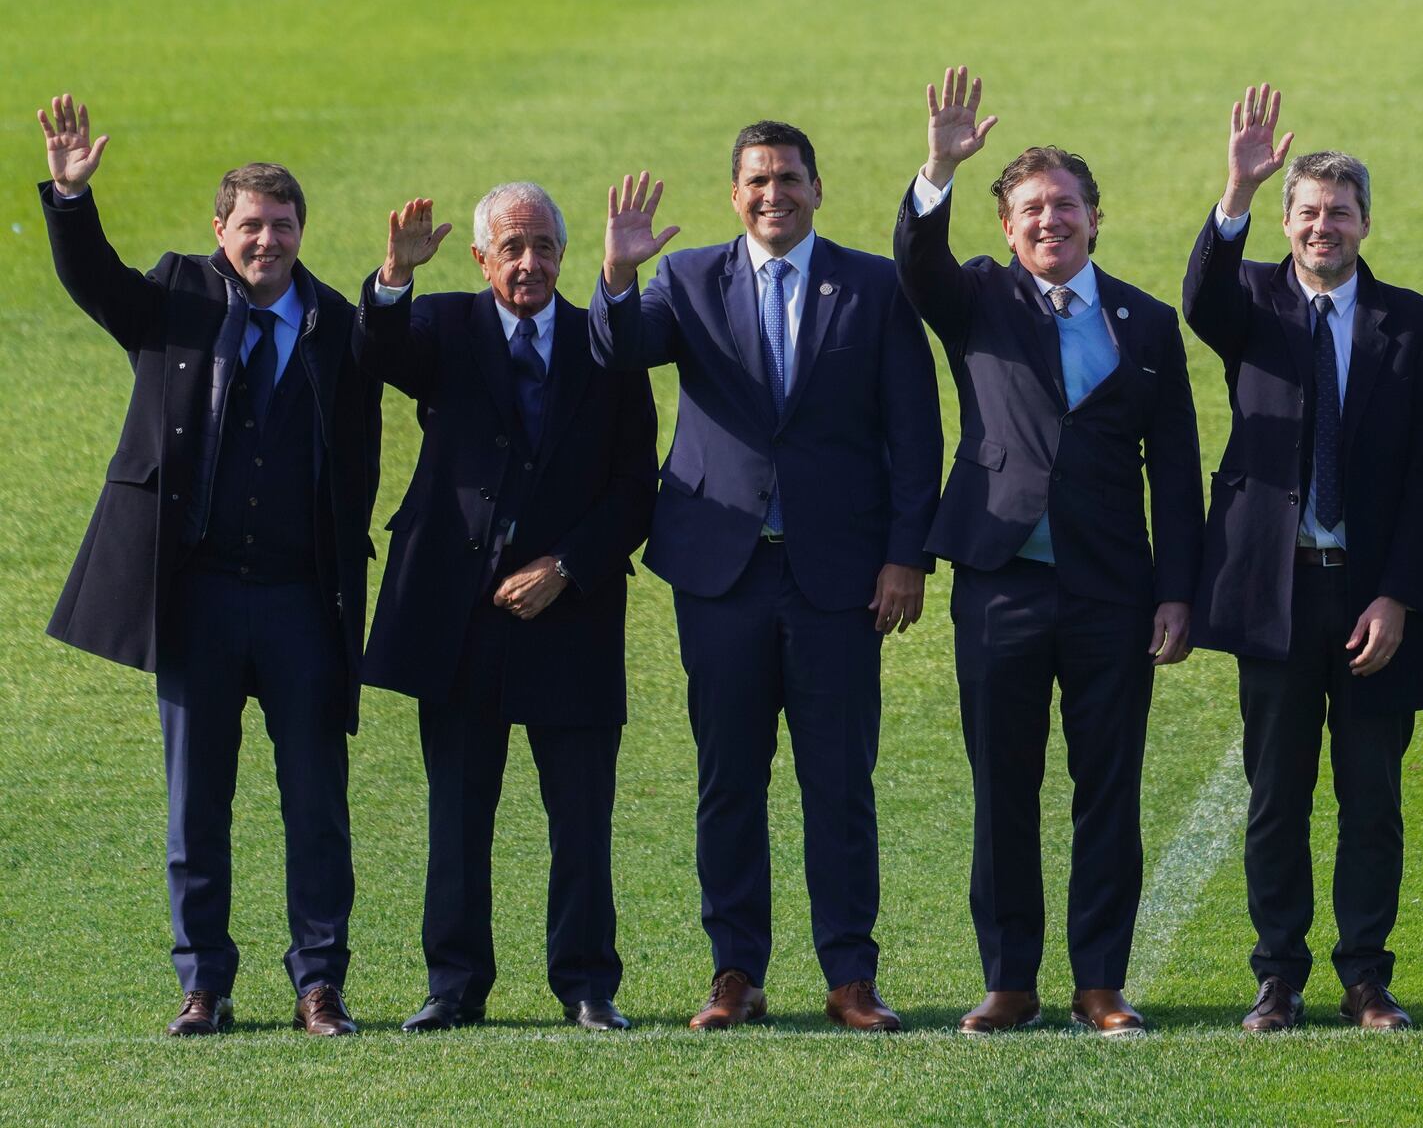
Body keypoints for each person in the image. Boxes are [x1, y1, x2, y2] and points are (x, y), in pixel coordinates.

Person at [35, 94, 382, 1038]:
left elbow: (389, 373)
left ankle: (319, 984)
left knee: (317, 806)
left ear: (303, 231)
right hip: (197, 602)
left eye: (281, 225)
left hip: (304, 605)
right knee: (198, 809)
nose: (266, 240)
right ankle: (206, 985)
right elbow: (98, 283)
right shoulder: (179, 296)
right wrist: (71, 199)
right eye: (250, 225)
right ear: (218, 230)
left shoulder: (339, 325)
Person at [591, 122, 941, 1034]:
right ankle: (735, 972)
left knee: (840, 780)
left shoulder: (873, 285)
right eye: (756, 180)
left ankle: (851, 976)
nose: (772, 193)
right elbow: (618, 349)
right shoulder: (689, 278)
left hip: (842, 577)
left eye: (788, 177)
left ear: (818, 188)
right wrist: (620, 275)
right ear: (733, 191)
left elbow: (915, 429)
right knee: (728, 780)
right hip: (722, 575)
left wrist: (907, 554)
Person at [894, 65, 1204, 1037]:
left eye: (1064, 206)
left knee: (1107, 788)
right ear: (1005, 224)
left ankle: (1100, 980)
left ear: (1095, 217)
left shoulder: (1148, 321)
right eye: (1030, 208)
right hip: (998, 581)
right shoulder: (978, 296)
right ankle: (1011, 979)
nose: (1048, 221)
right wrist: (938, 167)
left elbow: (1178, 470)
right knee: (1005, 787)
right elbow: (915, 260)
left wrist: (1177, 590)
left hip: (1113, 590)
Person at [1181, 86, 1423, 1034]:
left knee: (1371, 796)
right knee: (1275, 794)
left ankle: (1366, 976)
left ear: (1365, 222)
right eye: (1307, 213)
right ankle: (1278, 976)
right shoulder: (1250, 296)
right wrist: (1237, 189)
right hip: (1273, 589)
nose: (1322, 227)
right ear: (1286, 223)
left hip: (1369, 598)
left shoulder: (1414, 321)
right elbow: (1198, 298)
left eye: (1339, 212)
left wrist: (1398, 595)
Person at [359, 184, 657, 1034]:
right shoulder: (445, 326)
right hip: (457, 613)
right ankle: (454, 986)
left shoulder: (605, 339)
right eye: (512, 248)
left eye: (545, 247)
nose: (530, 263)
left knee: (581, 815)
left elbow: (638, 485)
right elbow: (380, 351)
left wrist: (567, 565)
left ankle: (588, 984)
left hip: (572, 610)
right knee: (457, 811)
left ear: (564, 254)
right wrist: (392, 275)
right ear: (481, 258)